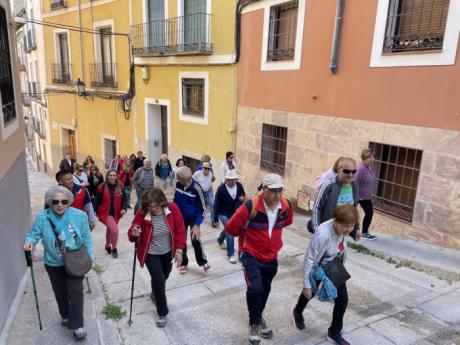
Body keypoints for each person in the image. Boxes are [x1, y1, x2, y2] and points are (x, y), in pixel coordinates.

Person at [226, 174, 293, 345]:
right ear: (264, 190)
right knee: (255, 288)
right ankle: (254, 323)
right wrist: (245, 238)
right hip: (251, 254)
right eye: (273, 191)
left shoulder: (285, 206)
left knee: (265, 289)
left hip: (271, 255)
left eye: (280, 190)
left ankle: (258, 315)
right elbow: (231, 228)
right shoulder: (251, 205)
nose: (277, 195)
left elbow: (287, 221)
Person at [24, 185, 94, 340]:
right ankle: (65, 314)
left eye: (64, 201)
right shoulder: (43, 217)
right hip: (54, 263)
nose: (60, 205)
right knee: (60, 292)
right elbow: (33, 234)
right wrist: (29, 241)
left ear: (69, 201)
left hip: (75, 261)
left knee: (76, 293)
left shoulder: (80, 216)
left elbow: (87, 238)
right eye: (55, 202)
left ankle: (78, 325)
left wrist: (90, 257)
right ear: (50, 203)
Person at [293, 205, 359, 345]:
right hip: (318, 267)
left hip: (334, 265)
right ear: (335, 221)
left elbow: (341, 247)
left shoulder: (343, 231)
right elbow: (309, 258)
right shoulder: (323, 233)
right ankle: (297, 312)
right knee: (309, 293)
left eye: (352, 226)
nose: (348, 230)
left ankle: (334, 332)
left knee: (343, 299)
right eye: (346, 226)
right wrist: (306, 284)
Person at [128, 188, 186, 327]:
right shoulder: (142, 213)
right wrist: (134, 232)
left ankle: (155, 292)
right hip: (150, 253)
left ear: (161, 202)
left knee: (163, 276)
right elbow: (132, 233)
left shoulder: (172, 209)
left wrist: (179, 250)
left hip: (167, 252)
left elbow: (180, 230)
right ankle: (162, 312)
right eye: (149, 206)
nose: (152, 209)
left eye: (154, 205)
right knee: (159, 280)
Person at [308, 157, 361, 238]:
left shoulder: (354, 186)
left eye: (354, 171)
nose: (351, 174)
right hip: (326, 233)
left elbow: (353, 209)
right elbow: (317, 208)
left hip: (342, 234)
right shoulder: (328, 185)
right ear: (339, 170)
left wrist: (356, 228)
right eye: (347, 171)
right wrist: (317, 231)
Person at [173, 166, 211, 274]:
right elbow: (175, 200)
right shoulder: (178, 184)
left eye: (178, 178)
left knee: (195, 240)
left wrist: (197, 224)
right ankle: (183, 263)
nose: (177, 179)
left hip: (193, 219)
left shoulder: (197, 189)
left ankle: (203, 261)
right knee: (181, 240)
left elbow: (204, 208)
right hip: (180, 218)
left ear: (184, 179)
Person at [94, 170, 128, 258]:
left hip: (117, 213)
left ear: (116, 176)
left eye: (114, 175)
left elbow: (125, 199)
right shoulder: (101, 187)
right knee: (115, 231)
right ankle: (114, 248)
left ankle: (107, 246)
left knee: (110, 230)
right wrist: (93, 212)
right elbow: (96, 201)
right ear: (107, 176)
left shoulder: (121, 186)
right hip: (106, 213)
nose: (112, 177)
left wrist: (124, 208)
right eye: (110, 175)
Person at [214, 169, 246, 263]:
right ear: (226, 179)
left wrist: (242, 198)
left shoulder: (239, 186)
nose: (231, 181)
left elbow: (243, 194)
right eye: (229, 179)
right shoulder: (221, 189)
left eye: (233, 179)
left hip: (234, 213)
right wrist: (215, 218)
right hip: (222, 213)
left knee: (228, 228)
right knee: (230, 230)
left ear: (236, 179)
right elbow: (216, 204)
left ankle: (220, 239)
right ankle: (230, 254)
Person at [356, 149, 377, 241]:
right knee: (368, 212)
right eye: (369, 157)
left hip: (366, 196)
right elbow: (355, 183)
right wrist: (357, 197)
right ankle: (364, 233)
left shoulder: (369, 167)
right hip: (360, 197)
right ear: (364, 158)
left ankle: (364, 232)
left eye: (372, 157)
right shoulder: (361, 169)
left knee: (369, 212)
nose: (372, 159)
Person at [193, 161, 218, 227]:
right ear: (202, 168)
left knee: (213, 204)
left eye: (208, 168)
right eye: (205, 168)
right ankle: (196, 218)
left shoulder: (210, 173)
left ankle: (213, 221)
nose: (207, 170)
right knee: (198, 206)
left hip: (208, 192)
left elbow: (212, 179)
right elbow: (192, 181)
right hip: (199, 192)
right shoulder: (197, 174)